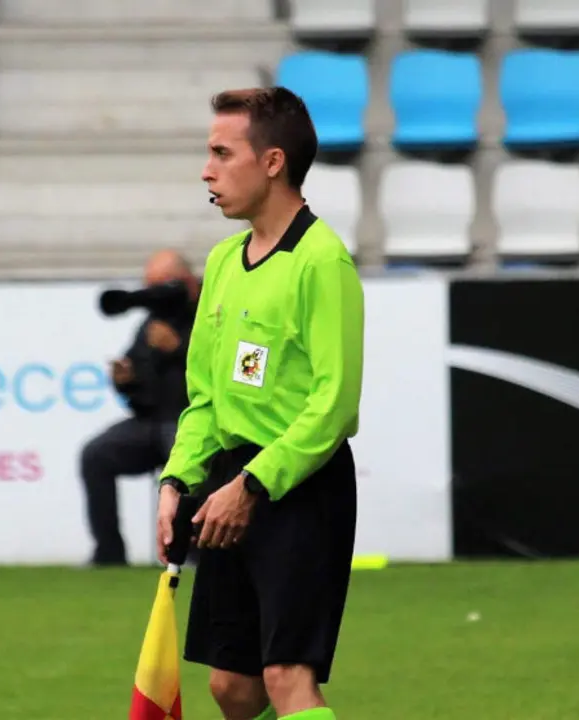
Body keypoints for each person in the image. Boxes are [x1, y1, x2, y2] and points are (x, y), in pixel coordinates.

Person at [155, 86, 365, 720]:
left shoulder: (321, 262)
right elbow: (205, 399)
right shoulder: (221, 262)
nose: (206, 169)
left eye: (222, 152)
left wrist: (252, 485)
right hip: (226, 487)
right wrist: (178, 478)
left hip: (299, 488)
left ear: (272, 162)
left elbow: (334, 406)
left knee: (285, 676)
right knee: (232, 688)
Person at [81, 249, 199, 566]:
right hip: (151, 421)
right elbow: (142, 388)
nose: (154, 296)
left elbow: (223, 370)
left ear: (186, 282)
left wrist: (178, 349)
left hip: (194, 423)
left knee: (182, 451)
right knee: (95, 454)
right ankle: (109, 554)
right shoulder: (151, 321)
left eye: (160, 286)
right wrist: (126, 380)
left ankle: (199, 554)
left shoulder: (211, 311)